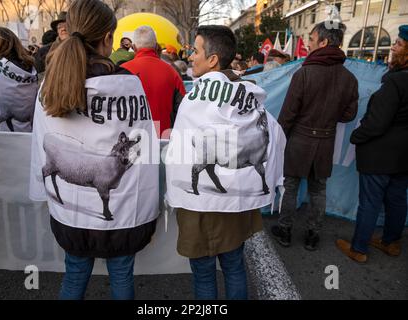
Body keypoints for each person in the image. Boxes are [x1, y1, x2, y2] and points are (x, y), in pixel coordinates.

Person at [29, 0, 159, 300]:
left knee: (74, 276)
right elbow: (145, 152)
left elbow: (40, 140)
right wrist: (150, 209)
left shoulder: (50, 83)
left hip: (70, 217)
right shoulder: (129, 84)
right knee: (122, 276)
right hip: (123, 217)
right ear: (108, 38)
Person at [165, 25, 285, 300]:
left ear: (213, 59)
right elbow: (274, 136)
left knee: (205, 273)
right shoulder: (251, 94)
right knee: (233, 266)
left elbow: (182, 150)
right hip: (236, 203)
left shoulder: (193, 100)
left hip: (200, 207)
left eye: (195, 51)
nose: (191, 56)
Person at [271, 21, 359, 251]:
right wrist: (329, 115)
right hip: (325, 142)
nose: (308, 44)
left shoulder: (304, 73)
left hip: (299, 140)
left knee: (290, 187)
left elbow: (288, 114)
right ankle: (312, 235)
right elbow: (349, 115)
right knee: (318, 190)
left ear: (323, 42)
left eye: (311, 39)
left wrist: (278, 140)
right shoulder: (349, 78)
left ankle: (285, 230)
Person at [336, 25, 408, 263]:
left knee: (370, 202)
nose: (393, 47)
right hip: (403, 157)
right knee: (397, 199)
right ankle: (391, 242)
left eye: (398, 44)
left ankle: (358, 248)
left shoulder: (396, 83)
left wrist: (356, 137)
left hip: (381, 155)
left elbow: (377, 123)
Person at [122, 26, 186, 138]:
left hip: (130, 138)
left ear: (134, 47)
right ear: (156, 46)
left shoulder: (122, 71)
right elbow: (183, 108)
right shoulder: (172, 71)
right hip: (163, 138)